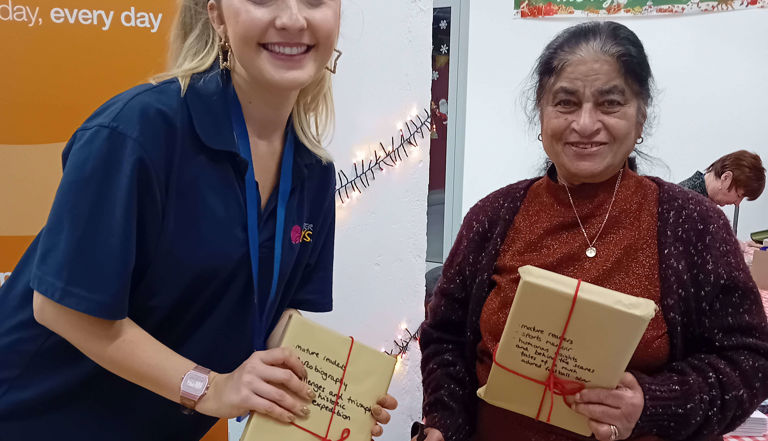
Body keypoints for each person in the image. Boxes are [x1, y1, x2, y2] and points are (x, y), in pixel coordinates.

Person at [0, 0, 396, 439]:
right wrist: (211, 388)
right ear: (217, 15)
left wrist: (337, 396)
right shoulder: (139, 131)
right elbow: (60, 308)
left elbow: (269, 309)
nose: (292, 18)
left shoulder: (314, 172)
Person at [417, 21, 768, 441]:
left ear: (640, 118)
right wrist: (446, 425)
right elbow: (445, 337)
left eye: (610, 104)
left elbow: (749, 360)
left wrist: (653, 402)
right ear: (541, 115)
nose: (585, 124)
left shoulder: (692, 224)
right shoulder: (493, 215)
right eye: (565, 103)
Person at [678, 150, 766, 207]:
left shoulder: (698, 200)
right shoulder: (686, 203)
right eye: (739, 195)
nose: (737, 203)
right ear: (726, 178)